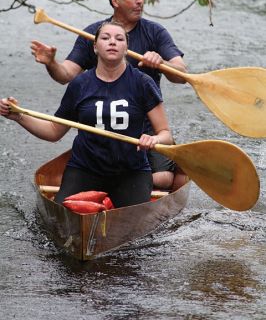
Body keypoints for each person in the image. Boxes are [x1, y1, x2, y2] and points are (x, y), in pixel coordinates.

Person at [31, 0, 188, 190]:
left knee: (165, 180)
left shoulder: (155, 32)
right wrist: (51, 63)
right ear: (115, 1)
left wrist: (162, 62)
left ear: (126, 46)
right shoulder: (94, 35)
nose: (140, 1)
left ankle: (127, 184)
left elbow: (181, 75)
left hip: (144, 131)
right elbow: (66, 74)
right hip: (101, 128)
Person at [1, 21, 174, 207]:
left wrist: (153, 140)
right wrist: (18, 116)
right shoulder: (79, 84)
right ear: (95, 47)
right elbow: (53, 131)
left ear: (126, 48)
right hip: (85, 169)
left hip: (131, 171)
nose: (112, 42)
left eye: (119, 39)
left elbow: (166, 134)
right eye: (105, 38)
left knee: (136, 225)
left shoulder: (143, 83)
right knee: (62, 217)